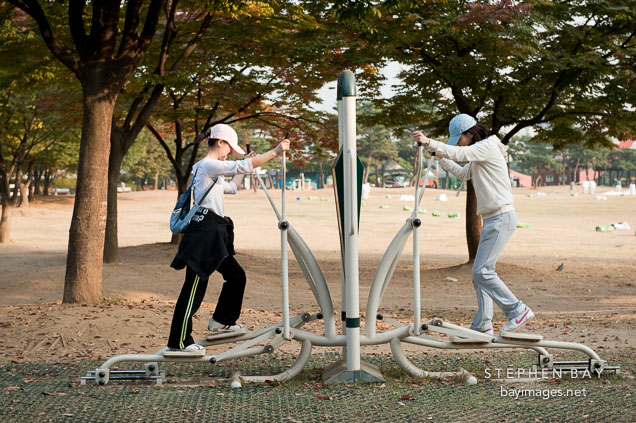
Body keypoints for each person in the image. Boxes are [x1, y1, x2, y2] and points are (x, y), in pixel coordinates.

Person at [166, 124, 290, 355]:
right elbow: (240, 165)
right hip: (203, 236)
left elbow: (232, 187)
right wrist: (275, 151)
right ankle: (179, 341)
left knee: (236, 276)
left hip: (214, 234)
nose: (228, 154)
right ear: (220, 142)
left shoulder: (209, 170)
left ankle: (222, 321)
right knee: (193, 289)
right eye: (229, 149)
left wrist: (245, 166)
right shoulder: (207, 165)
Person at [412, 114, 534, 335]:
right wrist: (439, 155)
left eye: (460, 138)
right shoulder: (480, 154)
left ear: (470, 133)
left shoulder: (486, 146)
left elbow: (461, 154)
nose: (458, 142)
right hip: (493, 219)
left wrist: (430, 141)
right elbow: (461, 172)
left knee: (482, 272)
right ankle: (483, 323)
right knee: (480, 273)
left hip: (501, 217)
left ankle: (518, 310)